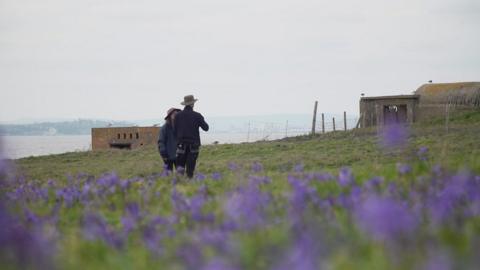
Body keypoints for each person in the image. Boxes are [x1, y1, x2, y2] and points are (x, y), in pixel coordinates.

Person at [174, 95, 209, 178]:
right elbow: (206, 128)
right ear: (193, 104)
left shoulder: (178, 116)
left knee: (180, 171)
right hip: (193, 146)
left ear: (185, 104)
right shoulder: (197, 115)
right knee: (190, 171)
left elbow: (174, 131)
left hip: (180, 146)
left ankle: (180, 188)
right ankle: (190, 188)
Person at [158, 108, 181, 172]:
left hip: (178, 155)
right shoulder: (164, 128)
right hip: (167, 156)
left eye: (177, 114)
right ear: (169, 116)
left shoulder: (179, 127)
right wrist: (164, 154)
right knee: (168, 176)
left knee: (180, 175)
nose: (176, 115)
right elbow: (161, 142)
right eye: (174, 114)